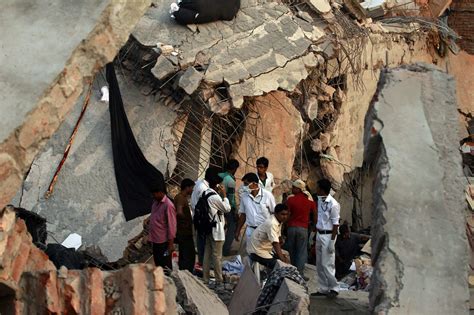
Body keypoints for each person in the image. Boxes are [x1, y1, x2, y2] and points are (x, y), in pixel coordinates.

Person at [312, 179, 340, 299]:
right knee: (319, 263)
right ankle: (323, 288)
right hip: (319, 233)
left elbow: (335, 224)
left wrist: (332, 242)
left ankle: (334, 288)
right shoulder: (320, 201)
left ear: (322, 189)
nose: (316, 190)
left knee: (327, 263)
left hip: (328, 235)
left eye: (317, 188)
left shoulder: (333, 204)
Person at [202, 174, 231, 287]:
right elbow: (226, 208)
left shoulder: (205, 193)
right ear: (217, 184)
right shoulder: (215, 197)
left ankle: (205, 279)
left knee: (207, 254)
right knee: (217, 256)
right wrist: (224, 195)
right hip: (217, 230)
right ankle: (219, 280)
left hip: (209, 227)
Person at [286, 179, 317, 276]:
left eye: (294, 188)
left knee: (291, 250)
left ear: (299, 189)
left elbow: (286, 213)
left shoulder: (290, 199)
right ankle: (299, 274)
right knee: (302, 251)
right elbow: (315, 213)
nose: (292, 189)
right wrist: (315, 226)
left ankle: (290, 271)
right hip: (303, 228)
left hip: (291, 227)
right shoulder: (309, 201)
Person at [235, 173, 276, 243]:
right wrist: (238, 230)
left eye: (246, 184)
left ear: (254, 183)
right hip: (250, 230)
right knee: (250, 252)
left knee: (262, 252)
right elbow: (243, 215)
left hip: (264, 231)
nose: (244, 186)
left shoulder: (267, 195)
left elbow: (274, 213)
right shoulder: (244, 197)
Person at [191, 167, 220, 265]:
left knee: (201, 241)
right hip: (202, 218)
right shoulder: (204, 189)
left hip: (198, 216)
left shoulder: (198, 183)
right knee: (204, 243)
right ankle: (204, 264)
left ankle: (202, 262)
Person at [247, 204, 290, 269]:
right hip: (258, 251)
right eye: (282, 214)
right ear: (276, 213)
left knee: (285, 255)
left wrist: (280, 240)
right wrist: (283, 260)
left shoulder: (278, 220)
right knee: (281, 266)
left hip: (265, 249)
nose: (285, 217)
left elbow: (278, 238)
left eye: (286, 214)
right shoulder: (272, 223)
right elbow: (275, 243)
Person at [149, 184, 177, 272]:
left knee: (165, 265)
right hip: (156, 240)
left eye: (155, 194)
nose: (153, 196)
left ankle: (168, 282)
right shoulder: (155, 203)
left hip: (164, 242)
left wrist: (170, 244)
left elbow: (172, 226)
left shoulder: (168, 205)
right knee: (158, 263)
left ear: (161, 192)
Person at [174, 178, 196, 273]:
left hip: (184, 230)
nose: (193, 190)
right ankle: (186, 273)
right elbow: (179, 212)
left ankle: (184, 272)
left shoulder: (182, 198)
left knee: (185, 253)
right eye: (192, 188)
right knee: (188, 254)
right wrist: (186, 221)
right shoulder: (180, 198)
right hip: (183, 231)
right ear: (187, 187)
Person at [219, 159, 240, 256]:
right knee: (233, 226)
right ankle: (226, 250)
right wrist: (234, 210)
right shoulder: (230, 181)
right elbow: (231, 198)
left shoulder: (220, 175)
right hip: (226, 204)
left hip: (216, 203)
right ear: (235, 169)